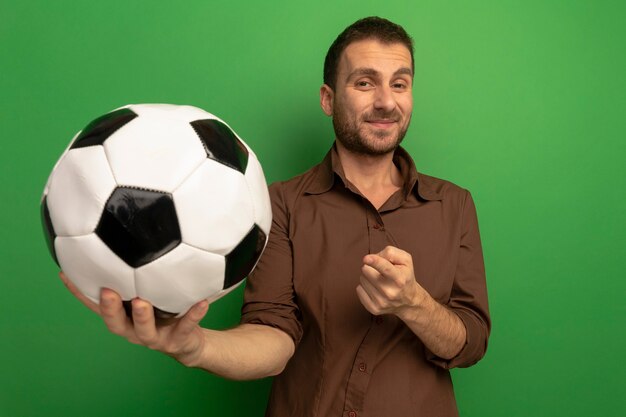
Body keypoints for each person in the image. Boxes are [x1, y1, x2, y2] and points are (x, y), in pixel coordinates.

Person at [61, 16, 490, 417]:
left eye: (400, 84)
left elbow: (471, 342)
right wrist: (193, 346)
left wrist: (413, 304)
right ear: (328, 98)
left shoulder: (453, 205)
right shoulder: (279, 205)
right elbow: (274, 337)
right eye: (364, 82)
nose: (385, 102)